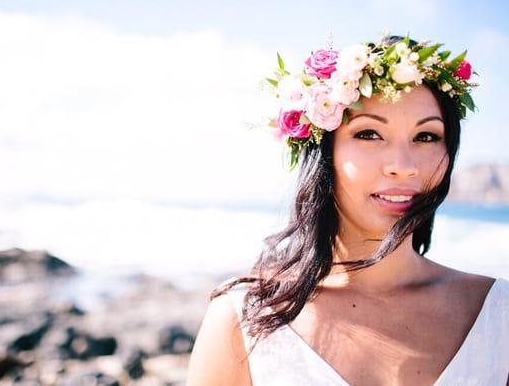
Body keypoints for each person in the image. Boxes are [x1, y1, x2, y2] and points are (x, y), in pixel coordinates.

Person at [186, 34, 509, 385]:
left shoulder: (499, 314)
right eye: (369, 134)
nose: (403, 166)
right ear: (325, 153)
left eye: (426, 137)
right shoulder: (244, 320)